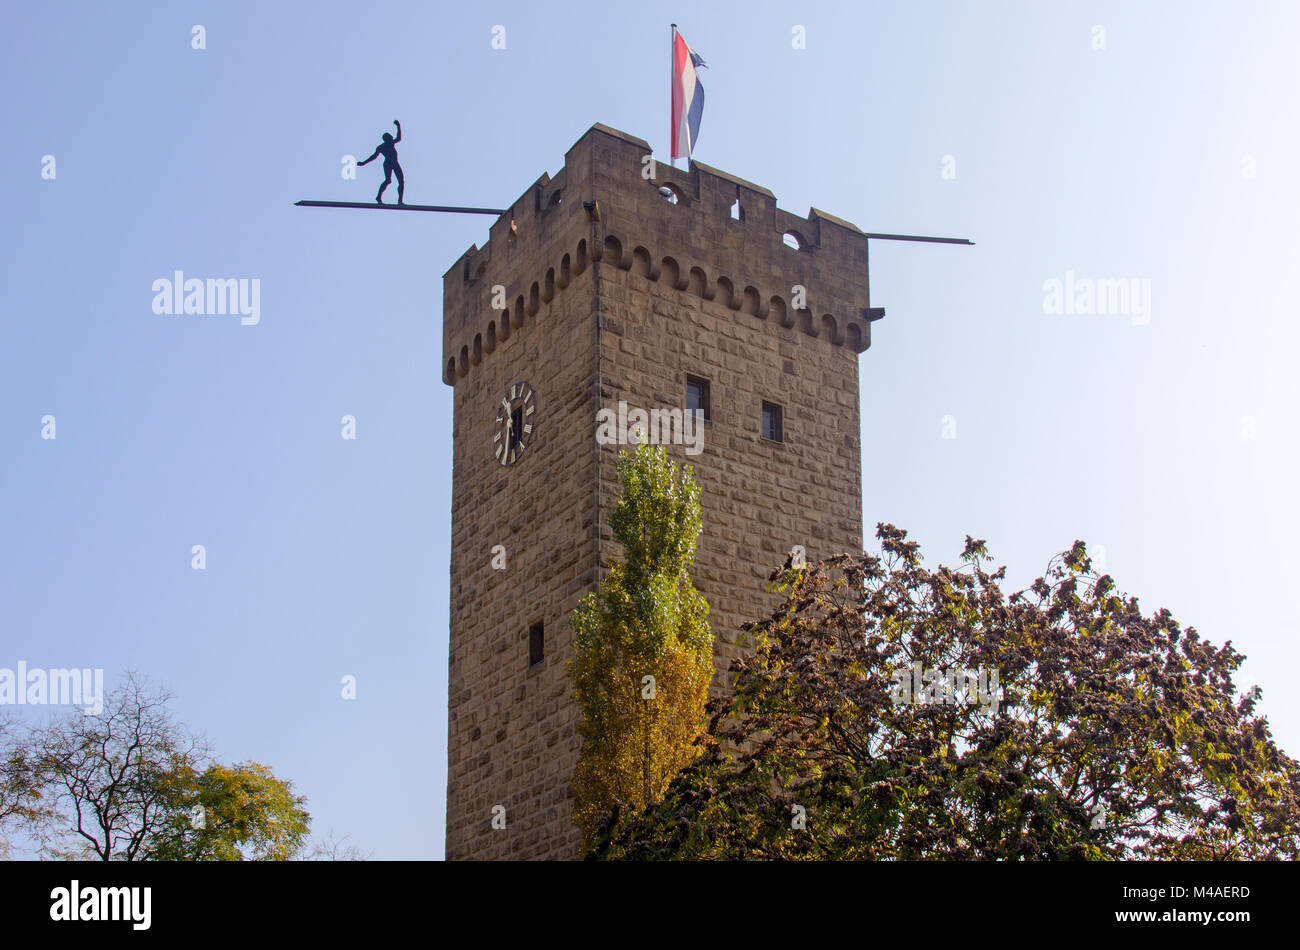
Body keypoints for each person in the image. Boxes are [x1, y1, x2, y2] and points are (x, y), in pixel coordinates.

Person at [358, 120, 404, 204]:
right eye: (390, 137)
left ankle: (400, 201)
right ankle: (379, 197)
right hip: (388, 163)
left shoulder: (391, 143)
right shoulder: (382, 146)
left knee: (401, 181)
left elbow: (399, 138)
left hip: (394, 163)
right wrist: (363, 163)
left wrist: (398, 126)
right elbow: (373, 157)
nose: (391, 138)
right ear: (386, 139)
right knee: (388, 180)